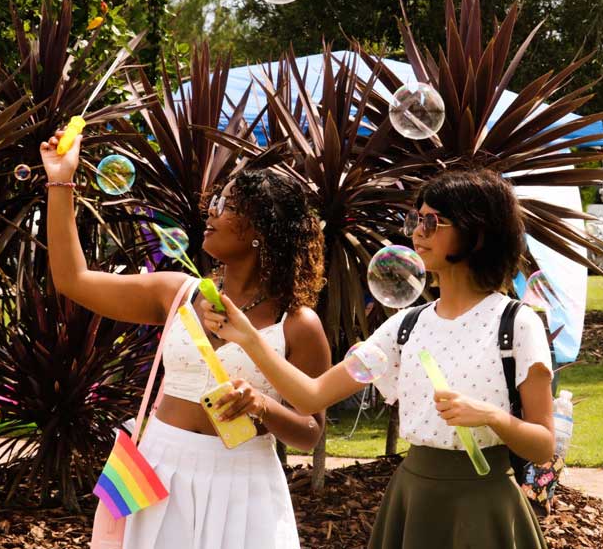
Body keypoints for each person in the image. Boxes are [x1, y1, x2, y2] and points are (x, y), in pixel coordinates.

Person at [202, 169, 554, 548]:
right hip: (414, 500)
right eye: (416, 219)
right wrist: (250, 339)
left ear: (478, 232)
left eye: (432, 221)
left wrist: (492, 417)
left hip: (487, 507)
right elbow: (311, 397)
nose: (418, 232)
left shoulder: (514, 324)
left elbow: (543, 445)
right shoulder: (406, 326)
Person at [40, 130, 330, 549]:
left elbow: (310, 432)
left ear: (260, 231)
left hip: (243, 483)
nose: (210, 213)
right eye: (214, 202)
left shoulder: (298, 325)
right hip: (159, 470)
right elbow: (73, 280)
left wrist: (261, 405)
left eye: (227, 206)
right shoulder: (177, 293)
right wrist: (60, 180)